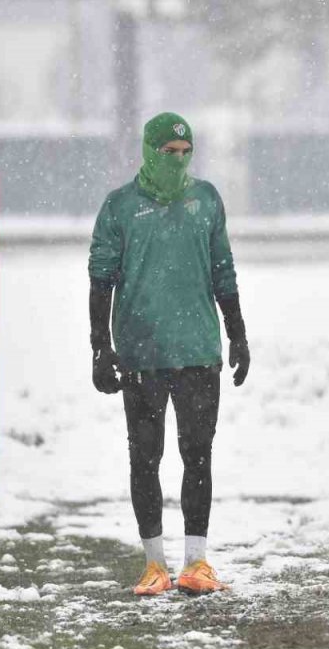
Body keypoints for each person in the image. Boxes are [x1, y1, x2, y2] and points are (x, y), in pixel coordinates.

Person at [89, 112, 250, 597]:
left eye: (185, 154)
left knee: (197, 456)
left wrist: (237, 333)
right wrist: (101, 347)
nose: (177, 162)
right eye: (168, 154)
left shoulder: (206, 201)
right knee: (146, 459)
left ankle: (196, 562)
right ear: (149, 151)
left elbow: (223, 270)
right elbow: (101, 279)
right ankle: (153, 564)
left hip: (199, 351)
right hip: (142, 355)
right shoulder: (120, 207)